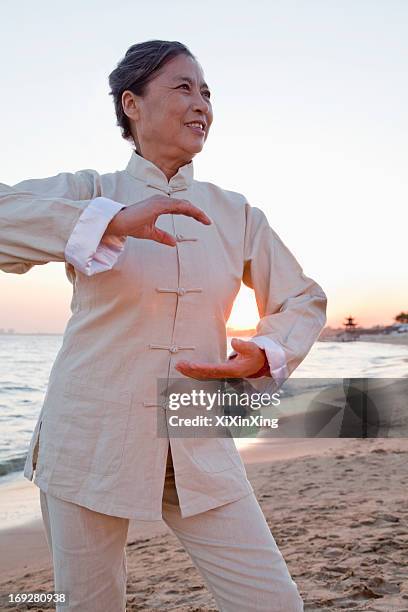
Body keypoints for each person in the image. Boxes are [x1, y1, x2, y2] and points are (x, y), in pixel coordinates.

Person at [0, 40, 327, 611]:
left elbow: (302, 297)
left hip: (196, 431)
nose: (201, 102)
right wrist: (108, 221)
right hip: (87, 434)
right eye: (183, 87)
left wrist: (265, 352)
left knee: (272, 602)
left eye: (207, 92)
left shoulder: (238, 213)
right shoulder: (91, 191)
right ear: (132, 103)